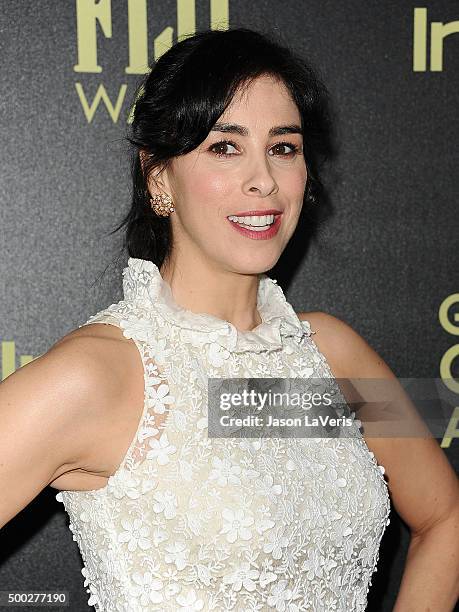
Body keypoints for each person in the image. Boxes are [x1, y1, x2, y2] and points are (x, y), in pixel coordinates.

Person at [1, 27, 458, 612]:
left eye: (283, 147)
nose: (263, 180)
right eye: (224, 147)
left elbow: (445, 517)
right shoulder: (102, 376)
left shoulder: (330, 357)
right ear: (159, 176)